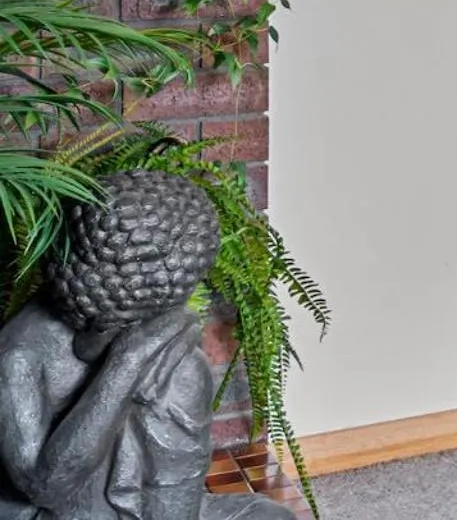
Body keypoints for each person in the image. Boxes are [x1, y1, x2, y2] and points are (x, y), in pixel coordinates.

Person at [0, 172, 292, 519]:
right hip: (56, 512)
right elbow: (43, 486)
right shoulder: (21, 352)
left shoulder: (159, 329)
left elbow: (177, 489)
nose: (158, 323)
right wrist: (125, 365)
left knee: (272, 515)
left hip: (141, 501)